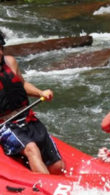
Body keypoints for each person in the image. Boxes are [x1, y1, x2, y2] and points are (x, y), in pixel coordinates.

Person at [0, 32, 64, 174]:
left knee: (57, 166)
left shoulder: (10, 62)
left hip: (27, 117)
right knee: (31, 148)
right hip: (5, 125)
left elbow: (21, 84)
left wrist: (40, 93)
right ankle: (45, 191)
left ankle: (32, 168)